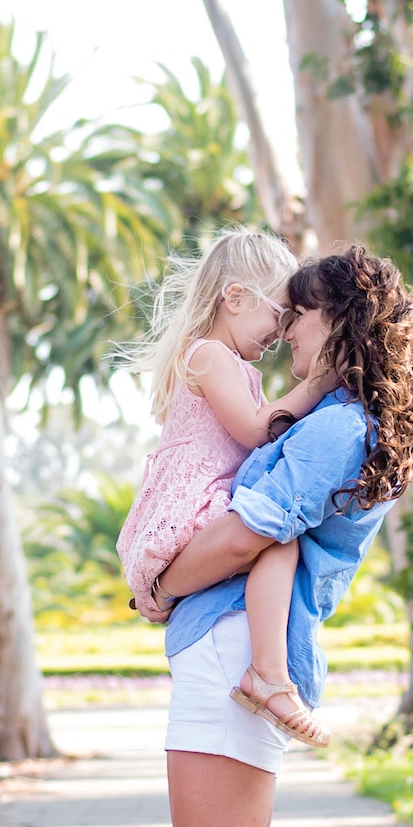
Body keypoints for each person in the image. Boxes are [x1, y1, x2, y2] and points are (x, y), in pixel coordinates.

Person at [154, 246, 413, 827]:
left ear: (335, 321)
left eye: (300, 315)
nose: (288, 331)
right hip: (235, 642)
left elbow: (244, 538)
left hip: (236, 647)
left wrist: (156, 586)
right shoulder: (343, 422)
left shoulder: (334, 427)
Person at [117, 230, 339, 743]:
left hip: (211, 495)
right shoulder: (209, 356)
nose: (281, 332)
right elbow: (254, 430)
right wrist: (317, 384)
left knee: (277, 540)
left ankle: (268, 672)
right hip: (195, 498)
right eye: (278, 313)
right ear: (235, 297)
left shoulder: (231, 363)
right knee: (278, 539)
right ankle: (268, 675)